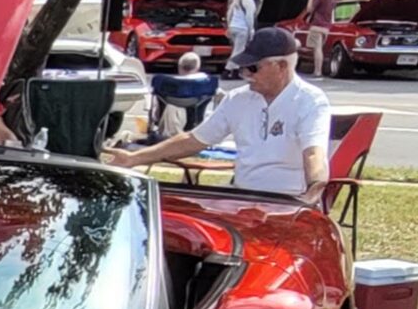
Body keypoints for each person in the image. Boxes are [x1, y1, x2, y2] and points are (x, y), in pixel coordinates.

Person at [108, 27, 331, 202]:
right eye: (244, 67)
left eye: (253, 67)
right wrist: (134, 158)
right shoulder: (237, 99)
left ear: (281, 66)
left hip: (289, 200)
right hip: (242, 196)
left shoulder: (310, 101)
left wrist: (314, 189)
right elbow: (194, 140)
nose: (246, 74)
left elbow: (314, 154)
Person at [150, 51, 220, 138]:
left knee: (160, 100)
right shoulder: (207, 83)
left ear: (179, 67)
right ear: (197, 67)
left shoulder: (164, 83)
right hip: (197, 119)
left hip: (167, 117)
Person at [303, 0, 345, 75]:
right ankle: (317, 70)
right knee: (319, 47)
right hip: (326, 26)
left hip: (317, 24)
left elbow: (310, 9)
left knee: (317, 48)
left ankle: (317, 71)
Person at [225, 0, 262, 76]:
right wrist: (250, 30)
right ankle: (227, 70)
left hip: (234, 27)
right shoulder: (248, 1)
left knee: (236, 49)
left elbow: (229, 15)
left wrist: (229, 27)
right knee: (239, 51)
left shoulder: (237, 0)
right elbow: (249, 17)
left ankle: (235, 71)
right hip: (242, 29)